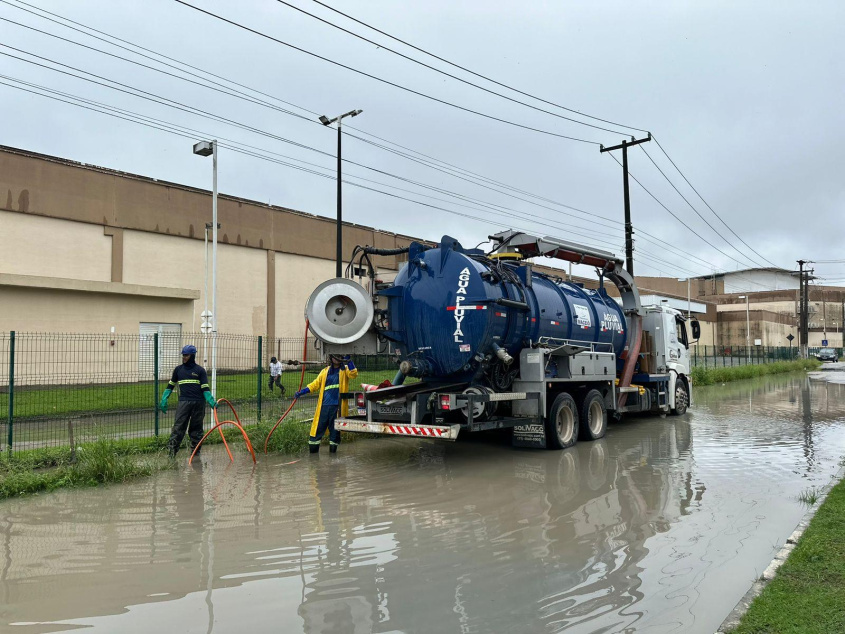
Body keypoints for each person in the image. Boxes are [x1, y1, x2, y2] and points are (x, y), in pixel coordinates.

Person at [159, 344, 217, 457]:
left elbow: (205, 388)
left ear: (193, 355)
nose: (184, 357)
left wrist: (210, 400)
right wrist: (164, 398)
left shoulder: (200, 371)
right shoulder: (178, 370)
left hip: (198, 403)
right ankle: (172, 453)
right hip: (184, 403)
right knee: (178, 428)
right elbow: (170, 385)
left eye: (186, 355)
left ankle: (195, 453)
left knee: (196, 429)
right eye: (183, 355)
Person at [294, 354, 357, 454]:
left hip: (337, 407)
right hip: (324, 407)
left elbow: (353, 374)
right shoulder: (325, 371)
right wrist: (302, 392)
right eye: (335, 356)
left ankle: (333, 458)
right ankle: (313, 455)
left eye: (339, 356)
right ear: (331, 358)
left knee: (335, 432)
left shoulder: (345, 370)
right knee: (317, 430)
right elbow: (315, 384)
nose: (337, 358)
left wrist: (349, 361)